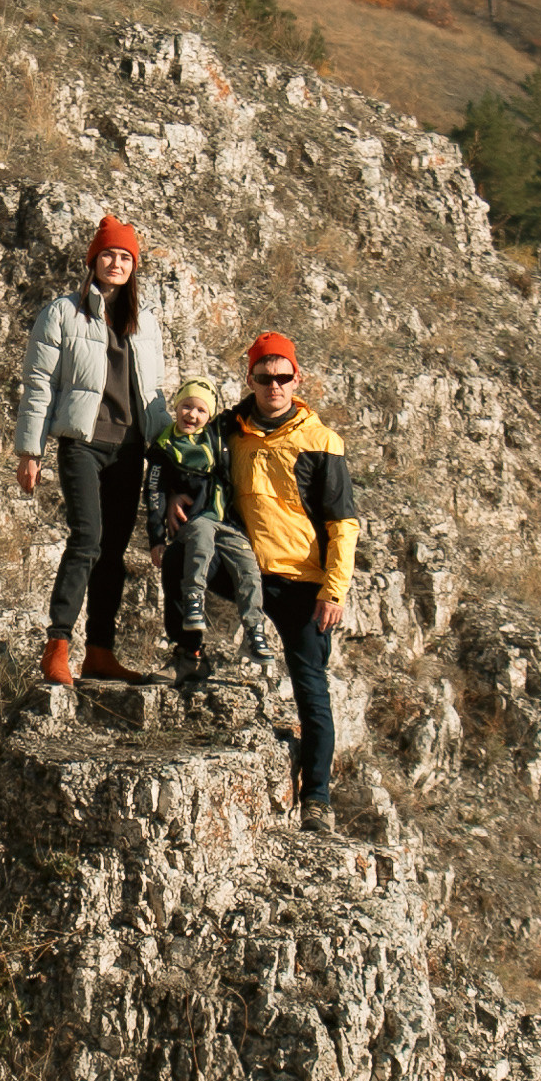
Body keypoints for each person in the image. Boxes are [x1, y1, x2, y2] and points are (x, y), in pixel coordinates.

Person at [14, 216, 170, 686]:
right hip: (81, 443)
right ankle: (57, 645)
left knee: (115, 552)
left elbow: (155, 392)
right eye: (108, 254)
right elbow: (39, 383)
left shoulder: (146, 323)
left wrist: (168, 454)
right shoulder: (63, 312)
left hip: (129, 450)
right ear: (92, 260)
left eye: (125, 257)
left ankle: (100, 653)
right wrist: (30, 450)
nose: (116, 263)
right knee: (87, 539)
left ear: (134, 265)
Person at [227, 329, 356, 832]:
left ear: (296, 379)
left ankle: (317, 798)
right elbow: (189, 459)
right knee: (179, 558)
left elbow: (342, 523)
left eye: (283, 377)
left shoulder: (322, 441)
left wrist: (334, 589)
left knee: (311, 688)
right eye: (265, 377)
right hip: (248, 575)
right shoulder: (231, 429)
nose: (274, 386)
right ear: (252, 379)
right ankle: (187, 655)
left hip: (305, 586)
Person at [146, 373, 280, 697]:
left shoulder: (217, 434)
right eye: (186, 406)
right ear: (176, 407)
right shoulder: (166, 447)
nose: (192, 415)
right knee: (191, 552)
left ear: (210, 414)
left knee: (248, 567)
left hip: (232, 526)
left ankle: (254, 629)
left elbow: (246, 407)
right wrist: (156, 538)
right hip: (198, 524)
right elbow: (154, 493)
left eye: (200, 410)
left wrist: (267, 379)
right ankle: (190, 638)